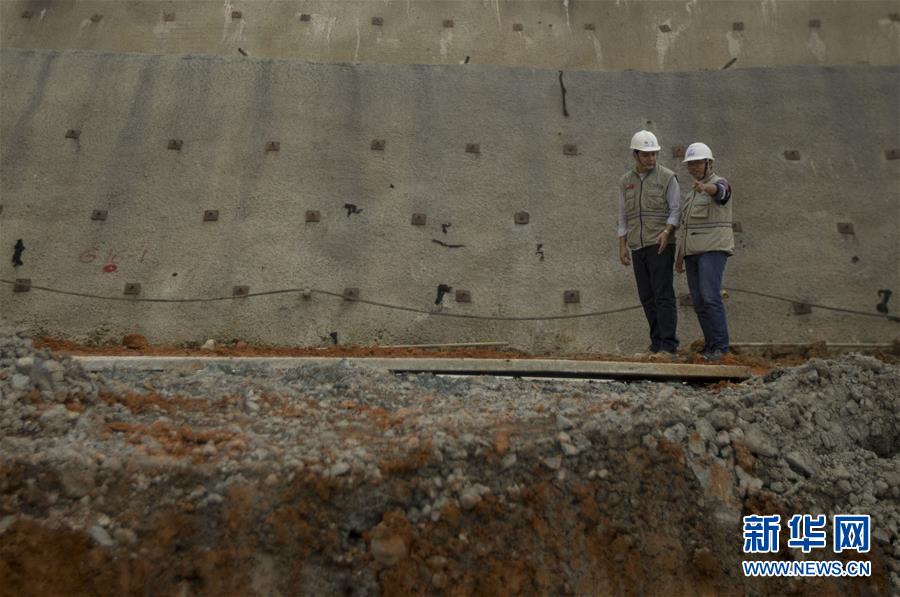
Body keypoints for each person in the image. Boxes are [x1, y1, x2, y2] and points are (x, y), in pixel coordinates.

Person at [617, 130, 681, 357]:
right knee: (647, 296)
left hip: (660, 244)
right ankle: (656, 344)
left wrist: (667, 231)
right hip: (637, 245)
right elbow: (623, 216)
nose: (651, 159)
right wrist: (622, 245)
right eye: (646, 155)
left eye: (654, 154)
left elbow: (675, 209)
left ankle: (668, 345)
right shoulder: (626, 182)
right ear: (635, 155)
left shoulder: (667, 177)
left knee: (663, 294)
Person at [675, 142, 733, 362]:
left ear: (709, 163)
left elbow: (720, 193)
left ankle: (721, 348)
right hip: (693, 253)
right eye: (690, 164)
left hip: (712, 250)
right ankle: (710, 347)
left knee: (710, 297)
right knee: (699, 301)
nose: (693, 168)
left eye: (697, 162)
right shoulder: (691, 195)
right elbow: (687, 227)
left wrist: (706, 188)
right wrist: (680, 256)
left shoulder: (720, 183)